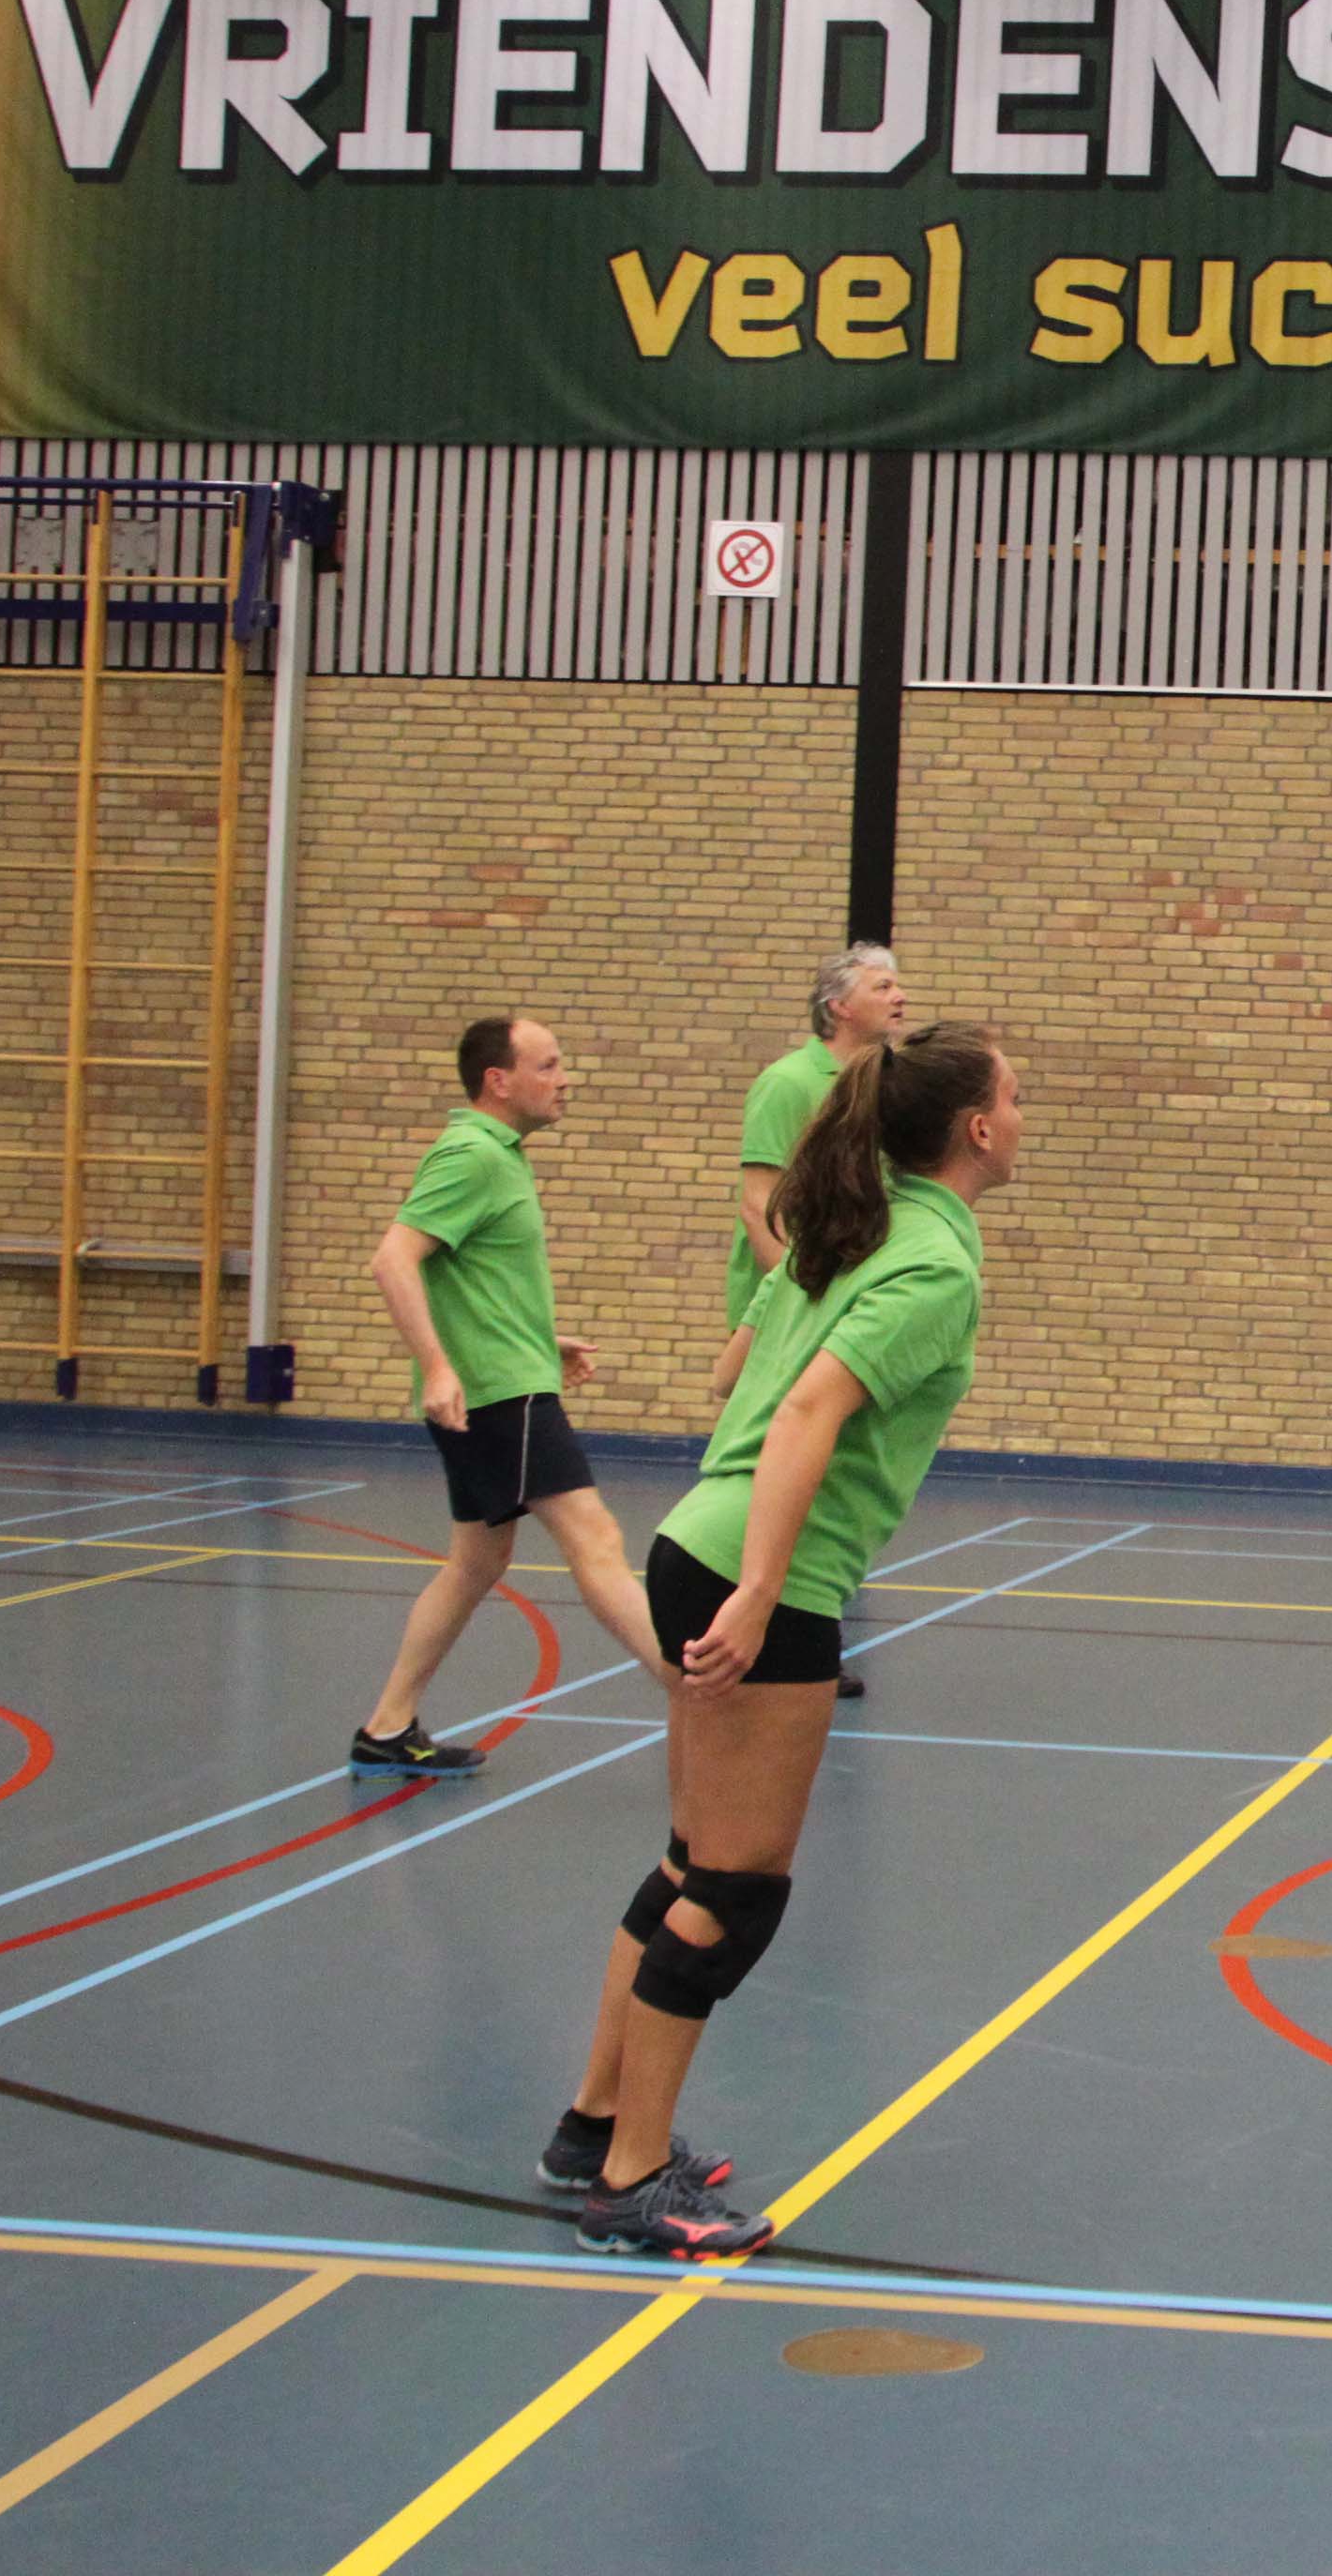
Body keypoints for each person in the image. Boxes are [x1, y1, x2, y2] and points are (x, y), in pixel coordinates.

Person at [553, 1022, 1017, 2258]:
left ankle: (593, 2128)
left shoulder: (846, 1229)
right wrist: (763, 1590)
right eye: (1014, 1100)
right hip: (761, 1570)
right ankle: (633, 2183)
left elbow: (736, 1374)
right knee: (736, 1891)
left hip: (693, 1539)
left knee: (691, 1864)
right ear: (976, 1128)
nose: (1023, 1119)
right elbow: (807, 1408)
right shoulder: (931, 1264)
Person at [352, 1018, 663, 1776]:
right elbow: (394, 1260)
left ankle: (387, 1729)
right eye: (548, 1065)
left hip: (505, 1379)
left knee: (475, 1561)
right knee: (596, 1540)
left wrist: (540, 1339)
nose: (565, 1079)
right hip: (500, 1397)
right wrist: (438, 1368)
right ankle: (707, 1700)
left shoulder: (500, 1157)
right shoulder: (471, 1157)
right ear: (499, 1080)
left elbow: (473, 1279)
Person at [713, 944, 920, 1702]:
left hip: (847, 1300)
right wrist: (803, 1298)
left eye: (898, 984)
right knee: (771, 1467)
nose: (900, 996)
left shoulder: (882, 1087)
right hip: (794, 1304)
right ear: (838, 1006)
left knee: (829, 1476)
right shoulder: (788, 1084)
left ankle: (801, 1631)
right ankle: (738, 1620)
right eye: (882, 986)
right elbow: (757, 1206)